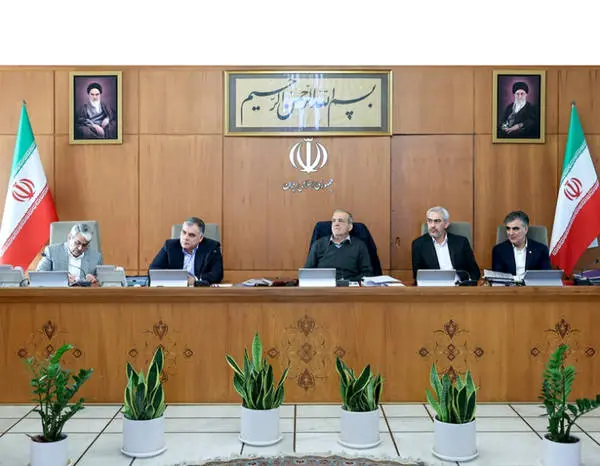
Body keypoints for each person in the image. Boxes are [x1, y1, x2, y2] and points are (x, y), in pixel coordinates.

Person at [411, 206, 481, 283]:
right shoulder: (418, 244)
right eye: (430, 221)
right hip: (433, 287)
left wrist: (465, 283)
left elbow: (475, 272)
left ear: (446, 224)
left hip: (458, 286)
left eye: (437, 221)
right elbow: (417, 277)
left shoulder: (461, 242)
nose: (432, 225)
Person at [149, 217, 223, 285]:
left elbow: (217, 275)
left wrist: (195, 280)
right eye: (184, 232)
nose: (185, 238)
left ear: (200, 238)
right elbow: (153, 270)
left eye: (191, 235)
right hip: (175, 289)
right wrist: (178, 279)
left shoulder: (212, 247)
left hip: (199, 290)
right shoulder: (170, 246)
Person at [304, 209, 372, 281]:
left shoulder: (360, 245)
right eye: (333, 221)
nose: (336, 224)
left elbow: (367, 273)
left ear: (350, 227)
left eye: (340, 221)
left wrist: (347, 282)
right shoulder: (318, 244)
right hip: (323, 285)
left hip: (349, 285)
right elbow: (307, 273)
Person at [492, 210, 551, 280]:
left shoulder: (541, 250)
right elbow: (498, 278)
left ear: (525, 229)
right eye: (508, 228)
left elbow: (546, 277)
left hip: (533, 286)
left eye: (515, 229)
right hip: (508, 286)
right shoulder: (498, 250)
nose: (510, 233)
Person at [36, 223, 103, 284]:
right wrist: (60, 278)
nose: (80, 248)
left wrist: (95, 279)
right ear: (69, 237)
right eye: (77, 243)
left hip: (84, 293)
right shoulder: (52, 251)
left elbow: (102, 279)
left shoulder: (96, 257)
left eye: (84, 245)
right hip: (58, 292)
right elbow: (39, 275)